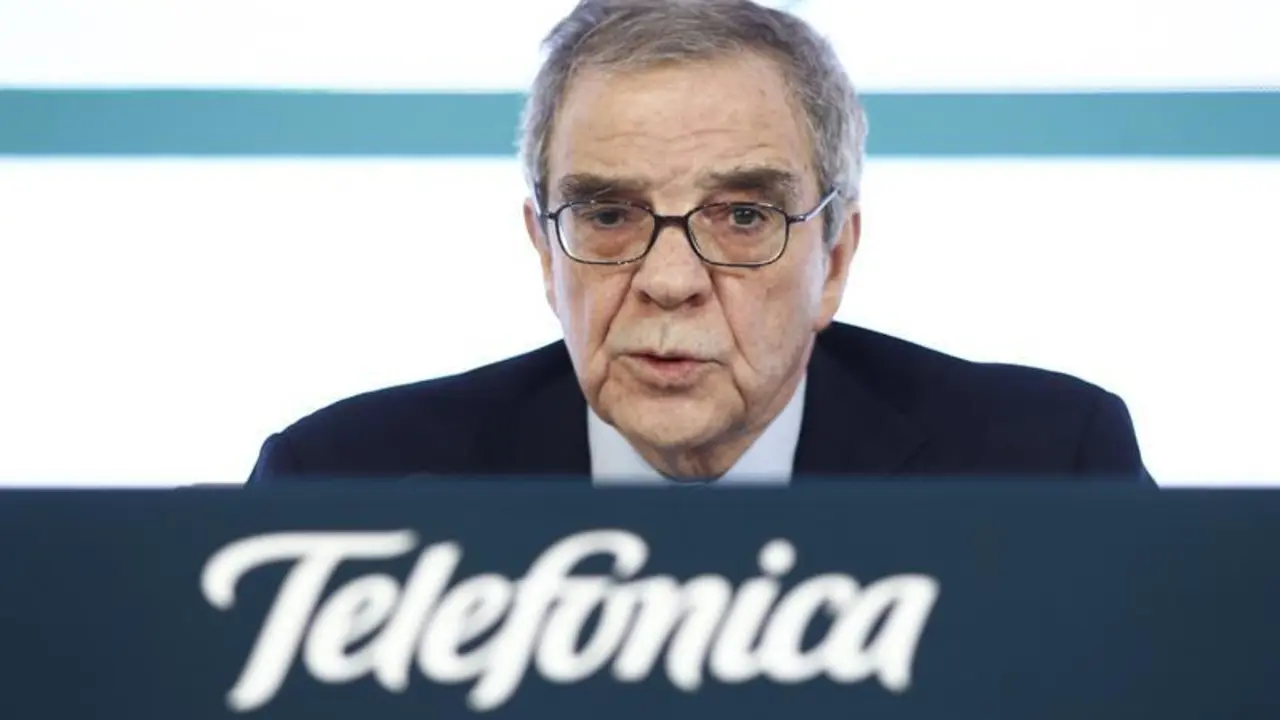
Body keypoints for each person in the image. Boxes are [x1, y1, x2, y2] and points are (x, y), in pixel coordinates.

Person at [248, 0, 1151, 486]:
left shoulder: (1044, 468)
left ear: (835, 258)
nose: (670, 280)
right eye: (609, 215)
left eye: (744, 216)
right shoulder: (340, 485)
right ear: (545, 253)